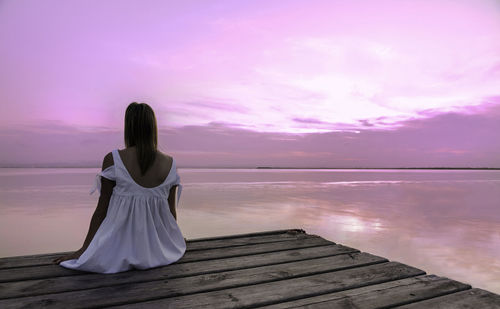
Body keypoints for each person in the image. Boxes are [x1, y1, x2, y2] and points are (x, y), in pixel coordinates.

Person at [52, 102, 186, 273]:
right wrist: (172, 240)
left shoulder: (114, 159)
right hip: (159, 252)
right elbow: (170, 213)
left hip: (118, 250)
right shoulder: (170, 164)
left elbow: (102, 210)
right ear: (153, 128)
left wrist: (83, 250)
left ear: (128, 127)